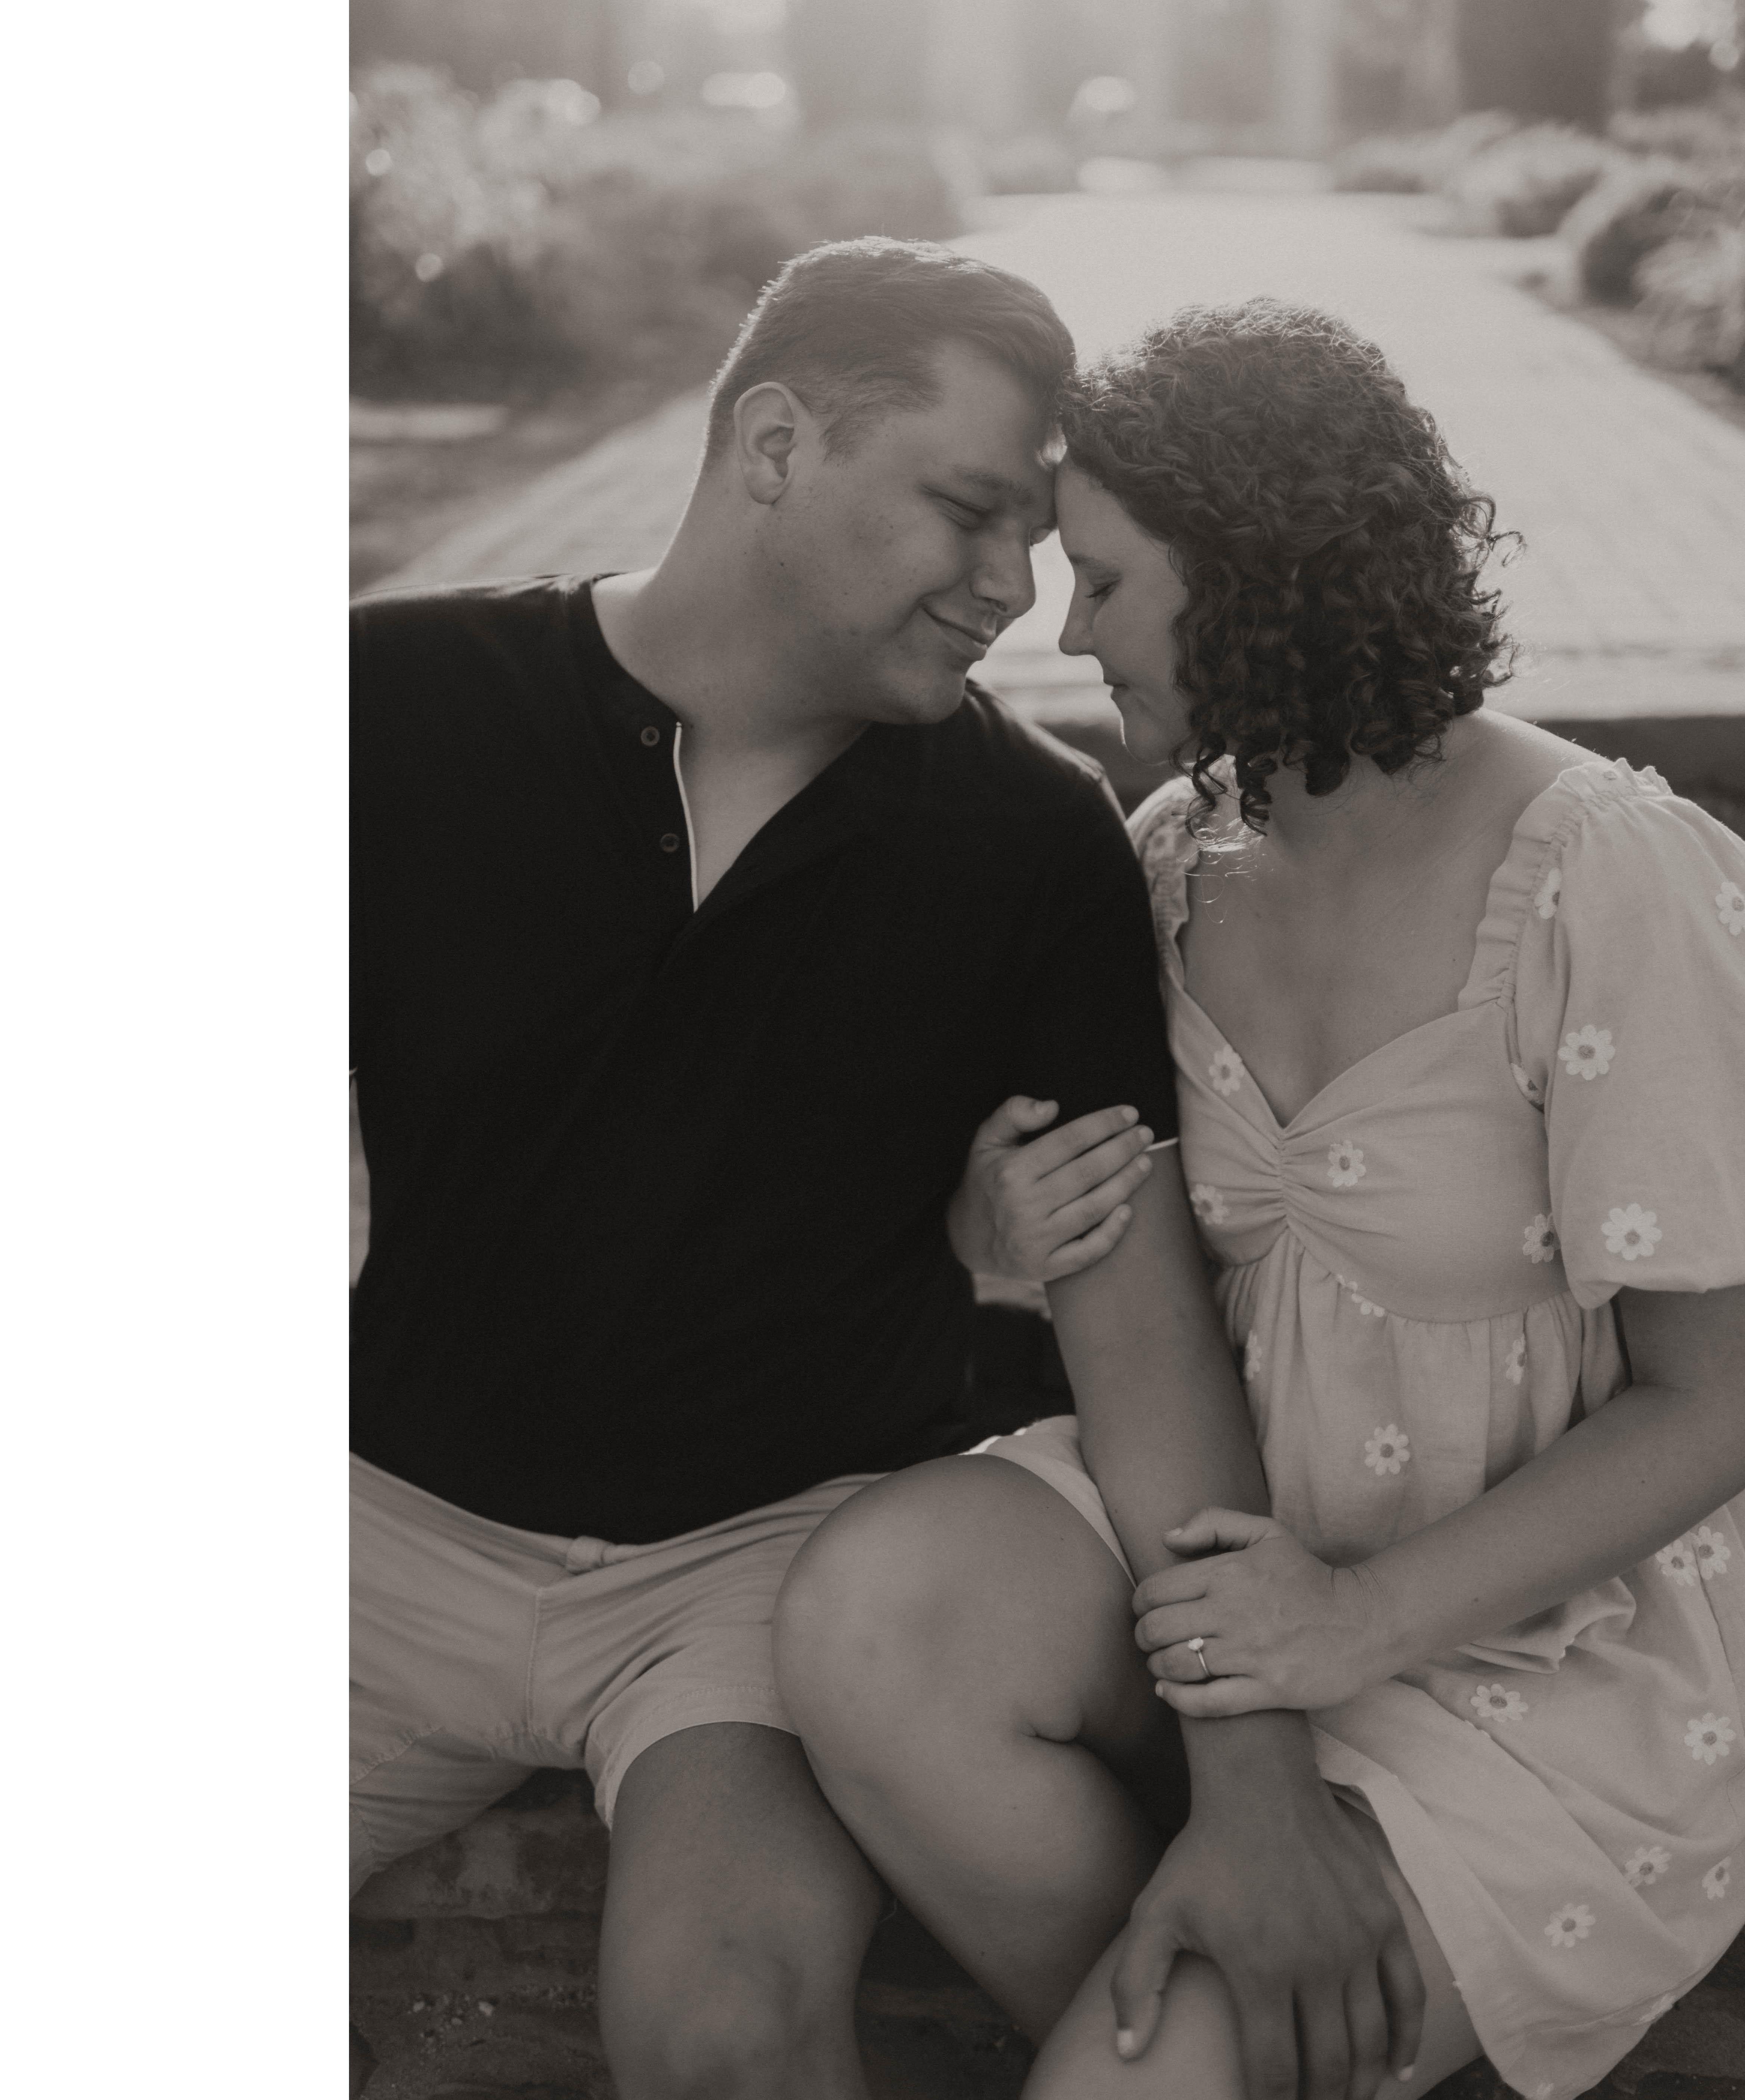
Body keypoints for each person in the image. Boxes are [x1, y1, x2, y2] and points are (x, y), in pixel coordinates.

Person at [350, 243, 1420, 2100]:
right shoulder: (384, 705)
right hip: (373, 1534)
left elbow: (1139, 1334)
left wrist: (1254, 1782)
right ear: (776, 444)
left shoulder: (1034, 841)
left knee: (725, 2033)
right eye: (967, 512)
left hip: (751, 1583)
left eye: (1040, 541)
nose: (1015, 591)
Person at [774, 298, 1745, 2100]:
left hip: (1543, 1628)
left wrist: (1355, 1628)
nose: (1066, 632)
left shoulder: (1604, 872)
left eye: (1105, 581)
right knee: (872, 1615)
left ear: (1255, 579)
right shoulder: (1166, 862)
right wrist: (994, 1242)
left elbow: (1733, 1395)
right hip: (1233, 1553)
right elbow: (1140, 1294)